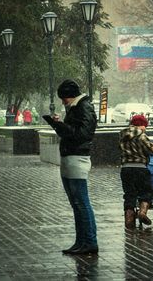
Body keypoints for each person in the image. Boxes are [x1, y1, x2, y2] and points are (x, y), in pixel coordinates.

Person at [45, 79, 98, 255]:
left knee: (81, 203)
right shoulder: (76, 107)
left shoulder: (84, 107)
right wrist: (60, 125)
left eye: (64, 98)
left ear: (71, 95)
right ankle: (81, 241)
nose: (63, 102)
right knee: (77, 204)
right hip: (70, 158)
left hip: (77, 159)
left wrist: (60, 126)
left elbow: (82, 134)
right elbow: (75, 131)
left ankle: (89, 241)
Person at [119, 114, 153, 229]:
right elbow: (151, 150)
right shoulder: (141, 136)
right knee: (146, 192)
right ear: (141, 125)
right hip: (140, 168)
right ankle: (142, 212)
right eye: (145, 125)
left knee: (129, 194)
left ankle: (129, 218)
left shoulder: (122, 135)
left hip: (125, 168)